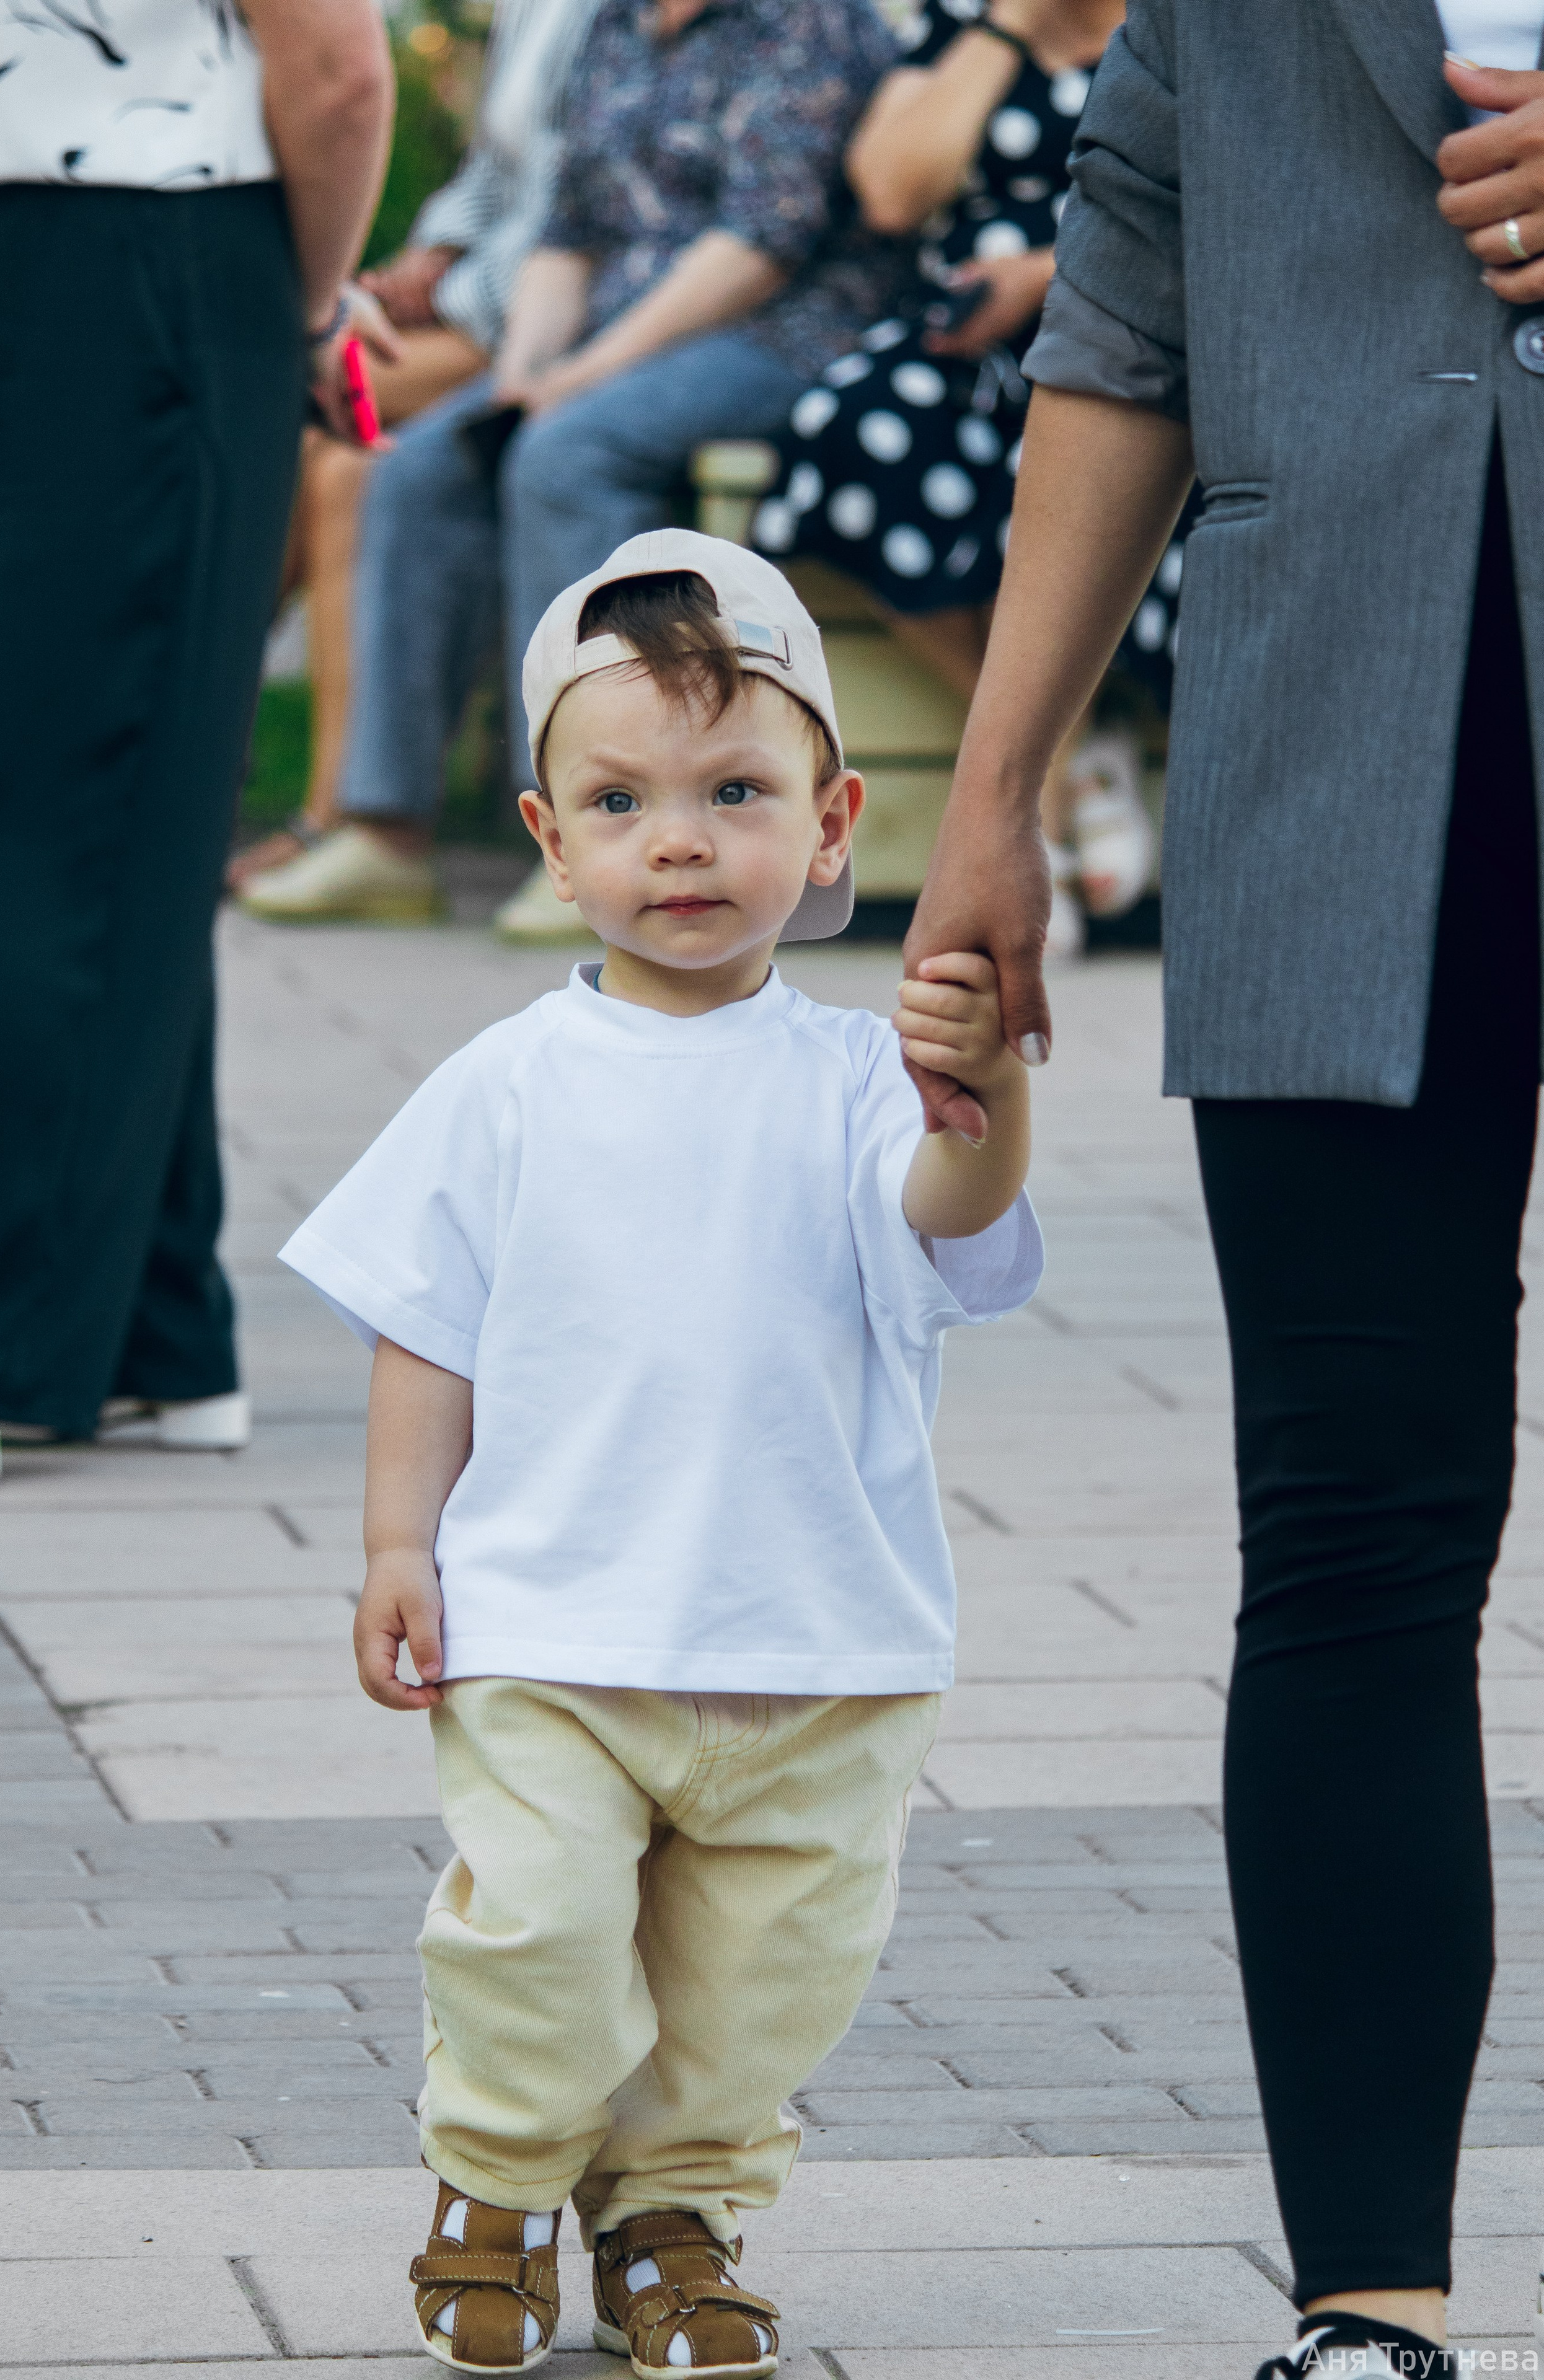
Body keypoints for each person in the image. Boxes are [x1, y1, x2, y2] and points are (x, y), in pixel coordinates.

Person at [903, 2, 1544, 2369]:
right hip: (1331, 737)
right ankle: (1369, 2305)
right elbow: (1132, 299)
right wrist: (999, 792)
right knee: (1359, 1535)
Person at [278, 531, 1043, 2374]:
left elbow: (956, 1215)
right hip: (551, 1631)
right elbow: (424, 1327)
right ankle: (491, 2178)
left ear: (835, 819)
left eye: (735, 792)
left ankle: (674, 2220)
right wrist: (402, 1547)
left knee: (756, 1995)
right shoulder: (506, 1084)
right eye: (621, 801)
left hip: (822, 1645)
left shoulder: (862, 1079)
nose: (681, 841)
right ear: (550, 842)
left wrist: (986, 1098)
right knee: (532, 1938)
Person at [0, 0, 393, 1490]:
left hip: (76, 246)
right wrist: (314, 300)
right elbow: (335, 70)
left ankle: (24, 1344)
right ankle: (136, 1334)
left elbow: (329, 65)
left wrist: (303, 301)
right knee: (90, 796)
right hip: (137, 250)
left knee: (50, 795)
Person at [242, 0, 907, 927]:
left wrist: (585, 376)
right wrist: (524, 371)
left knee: (567, 455)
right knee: (422, 465)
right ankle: (385, 833)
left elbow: (759, 248)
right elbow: (568, 229)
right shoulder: (620, 23)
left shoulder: (810, 24)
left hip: (778, 332)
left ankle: (589, 832)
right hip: (619, 336)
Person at [750, 0, 1179, 948]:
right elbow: (893, 191)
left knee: (1054, 490)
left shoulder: (1180, 30)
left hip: (1135, 338)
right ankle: (1069, 776)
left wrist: (1048, 275)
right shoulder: (966, 26)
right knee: (849, 433)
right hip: (960, 345)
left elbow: (1221, 206)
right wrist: (1008, 28)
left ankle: (1032, 835)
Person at [230, 0, 602, 899]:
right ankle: (245, 780)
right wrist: (434, 250)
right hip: (480, 296)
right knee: (330, 454)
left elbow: (593, 204)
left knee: (300, 414)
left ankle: (324, 812)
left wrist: (456, 291)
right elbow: (495, 174)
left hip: (552, 317)